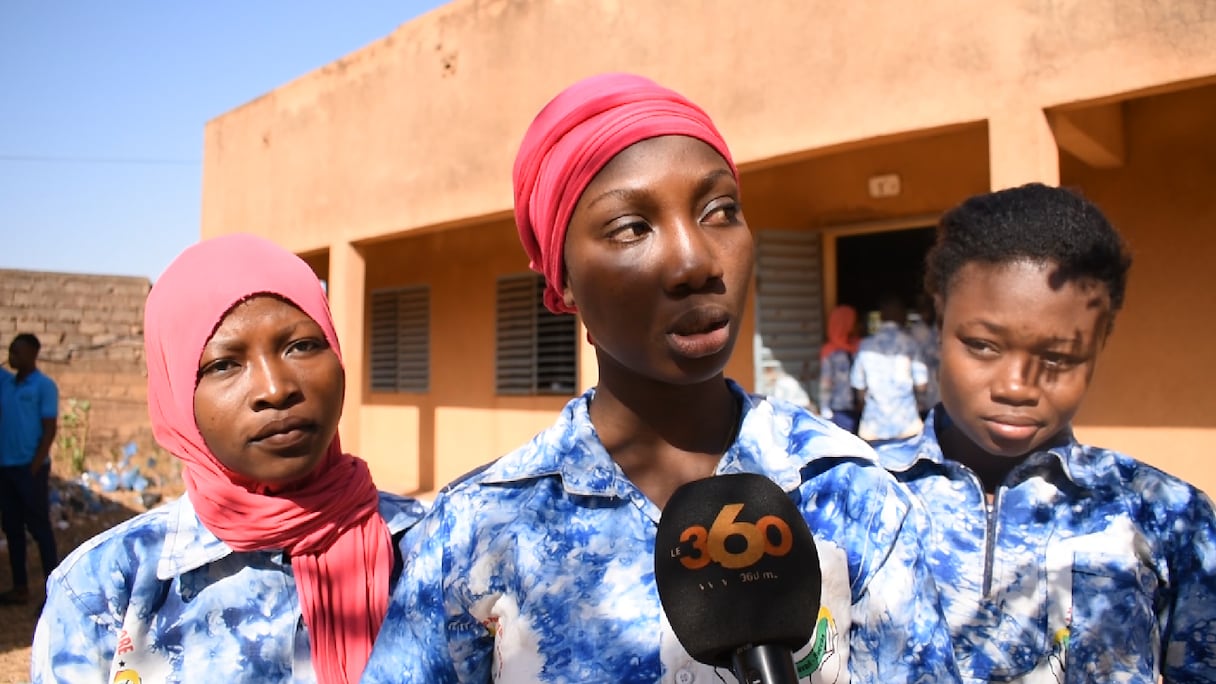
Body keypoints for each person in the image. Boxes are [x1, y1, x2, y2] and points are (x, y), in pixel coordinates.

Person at [362, 73, 958, 683]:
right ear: (562, 281)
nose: (696, 261)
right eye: (632, 228)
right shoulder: (476, 530)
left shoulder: (848, 490)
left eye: (719, 211)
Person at [31, 234, 428, 683]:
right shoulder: (105, 590)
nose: (276, 389)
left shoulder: (433, 548)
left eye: (301, 346)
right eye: (223, 365)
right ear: (178, 396)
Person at [875, 183, 1216, 682]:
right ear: (939, 316)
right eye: (983, 345)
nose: (1016, 386)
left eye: (1058, 358)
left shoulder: (1166, 516)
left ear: (1103, 342)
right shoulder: (853, 490)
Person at [0, 332, 60, 606]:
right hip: (6, 468)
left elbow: (49, 429)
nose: (11, 357)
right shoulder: (6, 384)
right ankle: (20, 587)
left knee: (39, 529)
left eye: (17, 352)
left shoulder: (44, 386)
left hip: (29, 470)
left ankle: (53, 592)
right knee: (12, 528)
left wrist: (35, 466)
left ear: (33, 354)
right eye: (10, 351)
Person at [849, 295, 928, 444]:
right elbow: (922, 384)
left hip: (872, 428)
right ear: (902, 316)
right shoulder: (911, 343)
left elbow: (858, 385)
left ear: (882, 316)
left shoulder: (866, 345)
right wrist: (919, 403)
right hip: (907, 426)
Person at [817, 304, 861, 433]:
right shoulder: (830, 351)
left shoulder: (859, 347)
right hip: (839, 410)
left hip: (860, 409)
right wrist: (825, 410)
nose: (856, 324)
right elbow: (826, 383)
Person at [906, 293, 940, 420]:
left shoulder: (941, 327)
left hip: (939, 387)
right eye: (921, 307)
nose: (924, 310)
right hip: (919, 389)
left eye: (927, 306)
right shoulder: (915, 329)